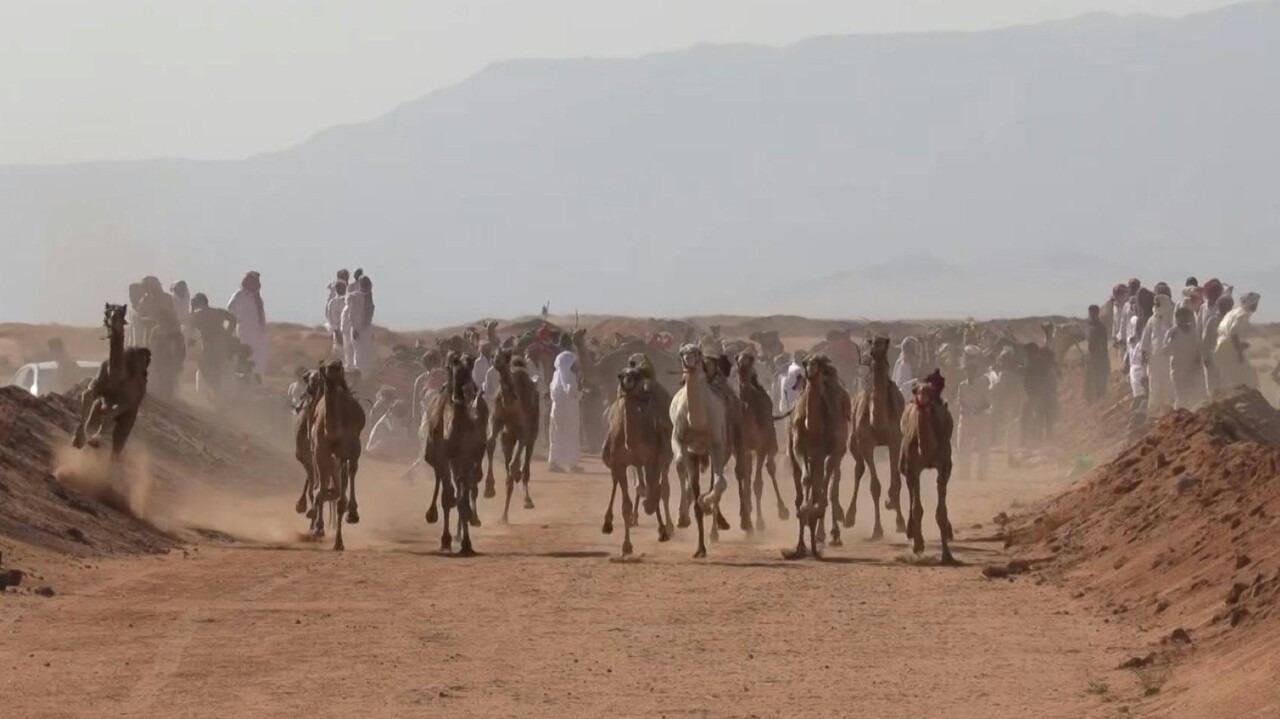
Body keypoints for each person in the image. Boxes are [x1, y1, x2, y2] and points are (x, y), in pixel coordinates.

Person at [189, 293, 238, 399]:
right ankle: (217, 392)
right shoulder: (217, 312)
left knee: (208, 367)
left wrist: (192, 310)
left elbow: (190, 326)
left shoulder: (198, 315)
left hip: (211, 343)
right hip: (219, 342)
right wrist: (228, 333)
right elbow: (233, 319)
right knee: (215, 368)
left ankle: (216, 392)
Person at [1214, 292, 1262, 393]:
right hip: (1229, 349)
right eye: (1255, 303)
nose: (1256, 306)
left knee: (1232, 377)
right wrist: (1239, 351)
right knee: (1245, 378)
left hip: (1222, 346)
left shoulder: (1234, 312)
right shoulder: (1243, 315)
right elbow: (1233, 334)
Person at [956, 358, 992, 482]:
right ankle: (964, 473)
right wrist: (963, 408)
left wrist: (978, 410)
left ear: (976, 372)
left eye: (971, 371)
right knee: (963, 447)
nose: (969, 374)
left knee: (983, 448)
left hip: (980, 419)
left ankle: (981, 474)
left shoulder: (983, 384)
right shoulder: (962, 385)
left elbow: (988, 403)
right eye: (967, 371)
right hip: (965, 419)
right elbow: (960, 401)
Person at [227, 271, 268, 378]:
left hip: (259, 335)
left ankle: (257, 382)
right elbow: (231, 310)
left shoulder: (258, 298)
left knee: (259, 359)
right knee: (247, 357)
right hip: (245, 333)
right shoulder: (240, 295)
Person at [548, 350, 582, 473]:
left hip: (556, 409)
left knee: (556, 435)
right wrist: (581, 391)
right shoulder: (570, 376)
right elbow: (572, 392)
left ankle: (554, 462)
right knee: (570, 435)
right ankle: (572, 464)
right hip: (569, 410)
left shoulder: (556, 375)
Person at [1166, 307, 1207, 410]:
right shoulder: (1172, 332)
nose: (1184, 320)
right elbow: (1165, 351)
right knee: (1181, 394)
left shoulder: (1194, 331)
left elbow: (1199, 347)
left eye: (1186, 317)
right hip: (1177, 368)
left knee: (1194, 394)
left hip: (1192, 368)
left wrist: (1198, 360)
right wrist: (1171, 341)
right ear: (1177, 318)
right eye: (1181, 317)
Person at [1143, 294, 1175, 412]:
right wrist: (1144, 352)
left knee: (1168, 380)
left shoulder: (1171, 318)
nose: (1156, 306)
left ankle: (1169, 405)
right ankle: (1155, 406)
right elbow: (1146, 337)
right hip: (1154, 356)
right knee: (1154, 380)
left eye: (1158, 304)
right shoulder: (1151, 320)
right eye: (1155, 304)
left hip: (1167, 356)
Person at [341, 276, 375, 374]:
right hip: (357, 329)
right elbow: (351, 314)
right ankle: (358, 374)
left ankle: (365, 375)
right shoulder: (354, 297)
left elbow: (369, 315)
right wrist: (354, 329)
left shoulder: (369, 297)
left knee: (366, 352)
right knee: (358, 353)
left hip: (366, 328)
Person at [1203, 294, 1234, 398]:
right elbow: (1205, 340)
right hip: (1213, 357)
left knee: (1226, 386)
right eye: (1225, 305)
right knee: (1213, 387)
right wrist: (1205, 357)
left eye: (1229, 306)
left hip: (1227, 357)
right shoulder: (1212, 321)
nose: (1227, 308)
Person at [1084, 305, 1110, 403]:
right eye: (1090, 313)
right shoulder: (1087, 326)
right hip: (1090, 357)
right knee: (1088, 380)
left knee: (1099, 379)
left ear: (1097, 313)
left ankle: (1100, 398)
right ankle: (1089, 400)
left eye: (1093, 313)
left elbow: (1104, 343)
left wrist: (1104, 358)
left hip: (1099, 357)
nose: (1091, 315)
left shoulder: (1101, 327)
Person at [779, 350, 807, 415]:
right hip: (793, 405)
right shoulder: (798, 369)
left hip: (786, 405)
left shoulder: (790, 367)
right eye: (802, 357)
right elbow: (800, 386)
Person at [326, 280, 347, 359]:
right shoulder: (333, 303)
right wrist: (337, 332)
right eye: (339, 287)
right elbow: (332, 319)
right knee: (339, 353)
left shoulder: (350, 300)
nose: (341, 289)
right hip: (339, 332)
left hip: (350, 331)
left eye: (342, 287)